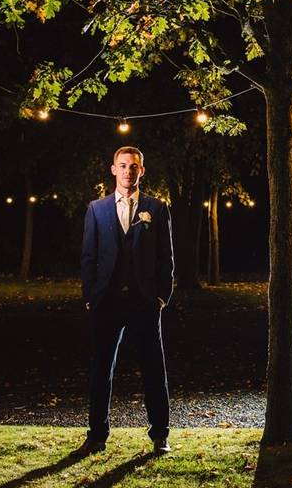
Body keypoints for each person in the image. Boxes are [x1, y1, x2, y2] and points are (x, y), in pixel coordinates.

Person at [75, 146, 175, 456]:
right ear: (113, 169)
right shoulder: (97, 209)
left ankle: (160, 435)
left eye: (134, 166)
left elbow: (166, 258)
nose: (128, 171)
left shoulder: (157, 209)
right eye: (123, 165)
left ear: (141, 171)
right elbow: (88, 256)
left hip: (145, 301)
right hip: (106, 302)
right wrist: (91, 296)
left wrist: (161, 296)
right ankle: (97, 435)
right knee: (101, 369)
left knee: (153, 369)